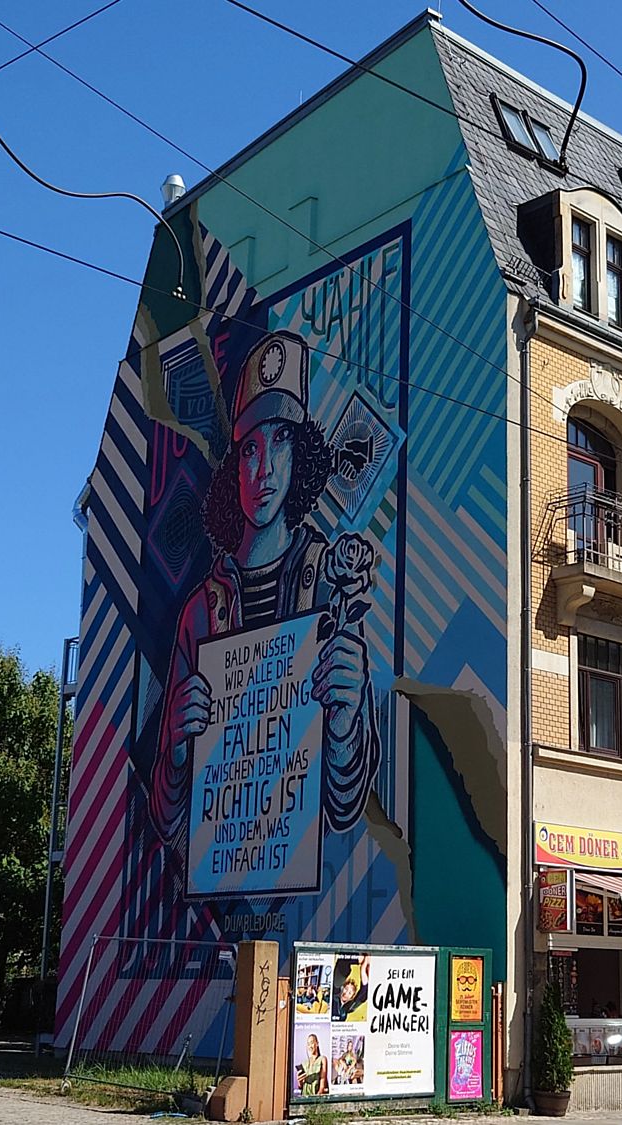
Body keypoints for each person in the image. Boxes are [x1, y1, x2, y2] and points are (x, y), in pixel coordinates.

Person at [156, 331, 381, 867]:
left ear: (300, 452)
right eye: (249, 449)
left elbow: (344, 806)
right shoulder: (200, 610)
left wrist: (347, 716)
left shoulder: (331, 583)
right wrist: (178, 745)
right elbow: (167, 817)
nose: (264, 469)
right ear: (233, 468)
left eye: (280, 439)